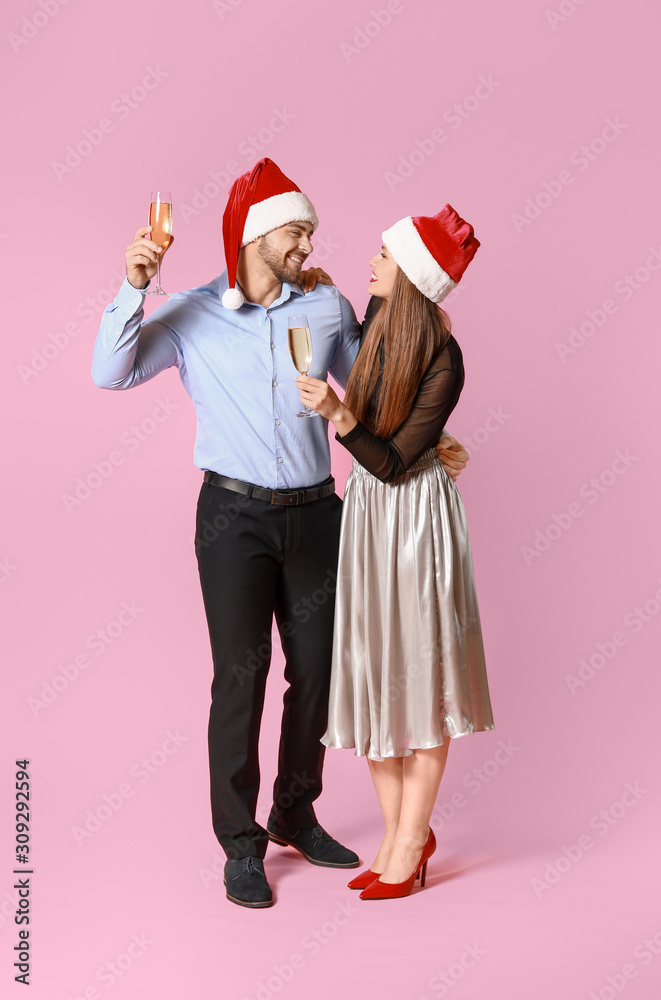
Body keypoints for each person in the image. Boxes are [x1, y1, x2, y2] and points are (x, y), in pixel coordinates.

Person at [91, 158, 470, 909]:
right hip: (232, 519)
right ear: (258, 235)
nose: (308, 243)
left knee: (320, 674)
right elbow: (112, 373)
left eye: (309, 232)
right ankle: (241, 843)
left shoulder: (326, 309)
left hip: (319, 512)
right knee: (241, 677)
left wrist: (427, 435)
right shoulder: (192, 313)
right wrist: (133, 287)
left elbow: (374, 390)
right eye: (297, 230)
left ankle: (294, 811)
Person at [297, 205, 495, 900]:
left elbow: (389, 462)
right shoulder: (374, 326)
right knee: (376, 671)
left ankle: (410, 843)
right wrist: (316, 284)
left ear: (411, 274)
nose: (371, 261)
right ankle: (395, 838)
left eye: (384, 254)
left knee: (421, 678)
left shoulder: (444, 356)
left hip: (414, 521)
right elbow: (380, 443)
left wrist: (338, 415)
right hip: (372, 518)